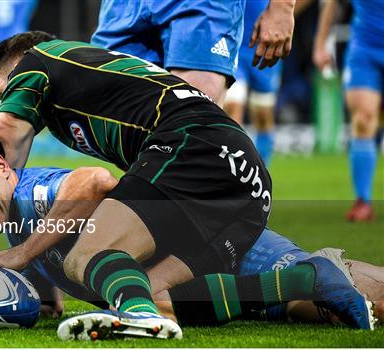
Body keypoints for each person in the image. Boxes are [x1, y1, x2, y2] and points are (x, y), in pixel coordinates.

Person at [0, 125, 379, 337]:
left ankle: (308, 278)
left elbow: (94, 180)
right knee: (322, 311)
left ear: (1, 165)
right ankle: (306, 283)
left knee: (368, 290)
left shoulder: (33, 193)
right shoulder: (11, 219)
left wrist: (21, 254)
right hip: (203, 280)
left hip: (219, 246)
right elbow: (39, 297)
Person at [91, 0, 295, 106]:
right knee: (127, 128)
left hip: (200, 4)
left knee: (193, 123)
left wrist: (283, 6)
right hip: (124, 6)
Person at [313, 0, 383, 222]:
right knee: (363, 120)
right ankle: (363, 201)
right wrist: (320, 44)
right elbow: (332, 3)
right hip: (365, 49)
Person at [223, 0, 282, 166]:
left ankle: (262, 174)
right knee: (231, 110)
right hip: (233, 42)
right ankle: (231, 176)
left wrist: (282, 16)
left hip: (264, 43)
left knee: (263, 116)